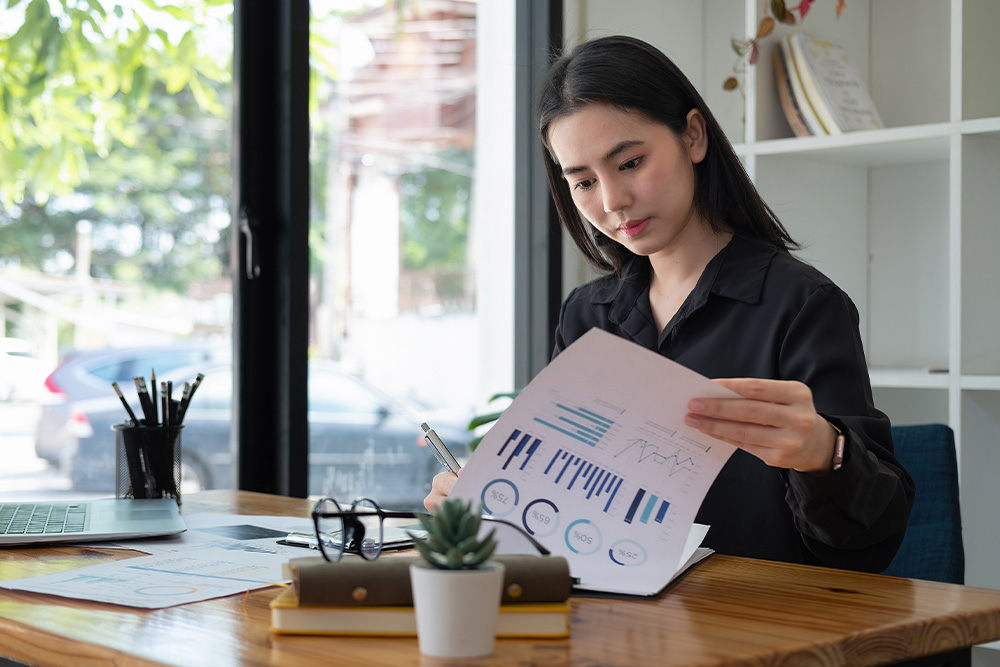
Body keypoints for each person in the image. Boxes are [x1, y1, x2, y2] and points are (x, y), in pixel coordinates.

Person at [426, 35, 913, 573]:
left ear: (693, 137)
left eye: (630, 162)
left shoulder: (801, 304)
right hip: (618, 621)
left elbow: (875, 542)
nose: (612, 202)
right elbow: (568, 508)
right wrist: (489, 505)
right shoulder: (587, 316)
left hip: (757, 624)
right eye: (583, 181)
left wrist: (826, 455)